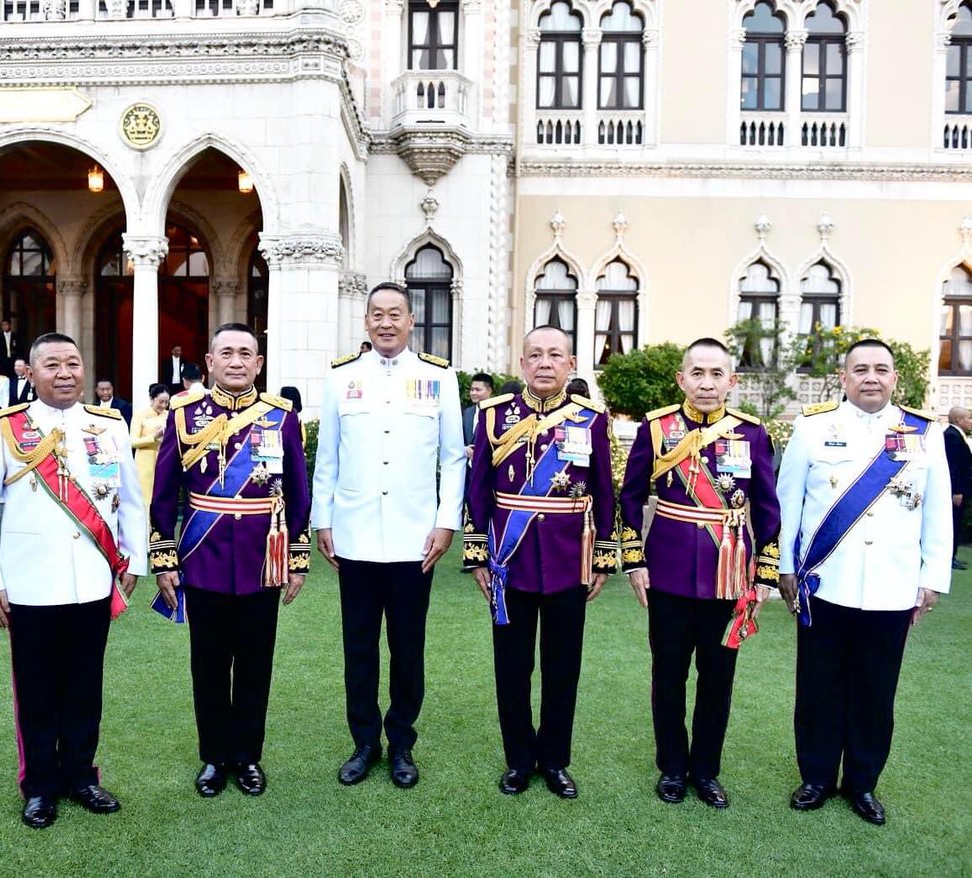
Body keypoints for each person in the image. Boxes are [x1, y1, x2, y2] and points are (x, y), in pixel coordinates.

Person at [0, 333, 146, 830]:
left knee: (86, 687)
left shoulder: (108, 425)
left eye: (73, 363)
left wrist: (133, 560)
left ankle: (83, 776)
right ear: (30, 372)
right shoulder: (3, 428)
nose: (64, 373)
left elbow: (130, 500)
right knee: (38, 690)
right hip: (29, 583)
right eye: (52, 365)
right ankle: (41, 785)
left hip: (92, 578)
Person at [776, 338, 951, 826]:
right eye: (860, 369)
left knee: (876, 690)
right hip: (825, 582)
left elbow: (937, 513)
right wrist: (785, 568)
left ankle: (862, 783)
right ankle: (815, 776)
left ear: (896, 377)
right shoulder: (812, 429)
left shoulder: (925, 433)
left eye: (881, 369)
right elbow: (789, 503)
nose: (870, 377)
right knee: (818, 685)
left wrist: (931, 576)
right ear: (844, 378)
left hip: (892, 586)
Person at [312, 282, 465, 788]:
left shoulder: (438, 377)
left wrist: (446, 523)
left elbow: (452, 458)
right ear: (366, 321)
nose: (385, 322)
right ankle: (362, 743)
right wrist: (323, 520)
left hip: (413, 539)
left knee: (407, 647)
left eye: (394, 314)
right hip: (354, 536)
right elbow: (328, 457)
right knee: (358, 647)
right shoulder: (341, 378)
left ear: (411, 319)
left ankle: (401, 743)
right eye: (376, 314)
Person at [150, 323, 311, 797]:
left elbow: (298, 494)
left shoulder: (281, 417)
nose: (237, 361)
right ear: (210, 360)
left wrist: (297, 558)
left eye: (246, 353)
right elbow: (164, 494)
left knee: (257, 664)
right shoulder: (183, 414)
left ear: (259, 363)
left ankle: (247, 757)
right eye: (227, 352)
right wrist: (163, 556)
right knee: (209, 664)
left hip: (264, 558)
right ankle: (214, 757)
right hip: (204, 557)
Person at [619, 337, 780, 810]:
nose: (706, 383)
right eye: (697, 373)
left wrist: (765, 571)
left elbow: (768, 510)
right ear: (681, 378)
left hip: (728, 577)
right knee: (667, 675)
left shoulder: (751, 434)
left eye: (716, 374)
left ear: (732, 381)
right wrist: (635, 561)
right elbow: (630, 498)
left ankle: (706, 771)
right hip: (666, 574)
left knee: (717, 678)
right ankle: (671, 768)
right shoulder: (656, 428)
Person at [465, 326, 617, 799]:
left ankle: (554, 761)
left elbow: (606, 491)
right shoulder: (493, 416)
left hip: (570, 561)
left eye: (555, 355)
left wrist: (604, 558)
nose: (545, 363)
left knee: (562, 667)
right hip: (509, 564)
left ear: (571, 364)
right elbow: (477, 490)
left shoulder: (591, 419)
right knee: (511, 668)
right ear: (522, 364)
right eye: (535, 355)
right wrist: (477, 557)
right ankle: (517, 760)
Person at [131, 382, 171, 508]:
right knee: (145, 499)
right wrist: (154, 437)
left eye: (166, 402)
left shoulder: (169, 415)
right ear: (152, 399)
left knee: (162, 499)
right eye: (160, 401)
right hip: (145, 461)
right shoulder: (140, 414)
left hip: (164, 460)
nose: (163, 405)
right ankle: (145, 527)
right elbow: (132, 442)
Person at [943, 406, 972, 568]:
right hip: (956, 491)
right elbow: (953, 466)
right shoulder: (952, 437)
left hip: (961, 489)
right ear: (959, 420)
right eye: (968, 418)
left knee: (956, 522)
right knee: (952, 523)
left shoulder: (956, 436)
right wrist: (957, 490)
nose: (970, 421)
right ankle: (949, 557)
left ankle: (952, 555)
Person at [463, 372, 495, 460]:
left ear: (489, 391)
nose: (473, 393)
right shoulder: (468, 413)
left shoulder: (497, 412)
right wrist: (465, 450)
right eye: (471, 389)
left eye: (478, 390)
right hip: (468, 468)